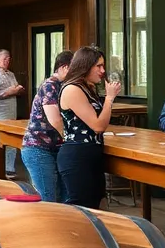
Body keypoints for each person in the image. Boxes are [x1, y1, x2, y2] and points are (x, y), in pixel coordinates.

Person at [57, 46, 121, 207]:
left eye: (103, 66)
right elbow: (98, 125)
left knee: (96, 204)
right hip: (77, 155)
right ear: (85, 66)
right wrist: (109, 98)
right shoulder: (72, 89)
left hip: (92, 153)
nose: (102, 71)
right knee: (83, 208)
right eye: (98, 66)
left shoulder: (88, 88)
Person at [22, 49, 74, 202]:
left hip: (56, 148)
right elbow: (55, 119)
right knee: (47, 197)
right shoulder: (50, 85)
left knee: (65, 196)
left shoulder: (65, 86)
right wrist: (70, 139)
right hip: (38, 148)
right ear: (64, 67)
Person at [0, 49, 25, 178]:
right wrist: (10, 91)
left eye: (8, 59)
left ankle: (10, 168)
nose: (7, 61)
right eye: (4, 59)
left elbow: (15, 88)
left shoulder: (11, 74)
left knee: (12, 142)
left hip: (11, 113)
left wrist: (18, 90)